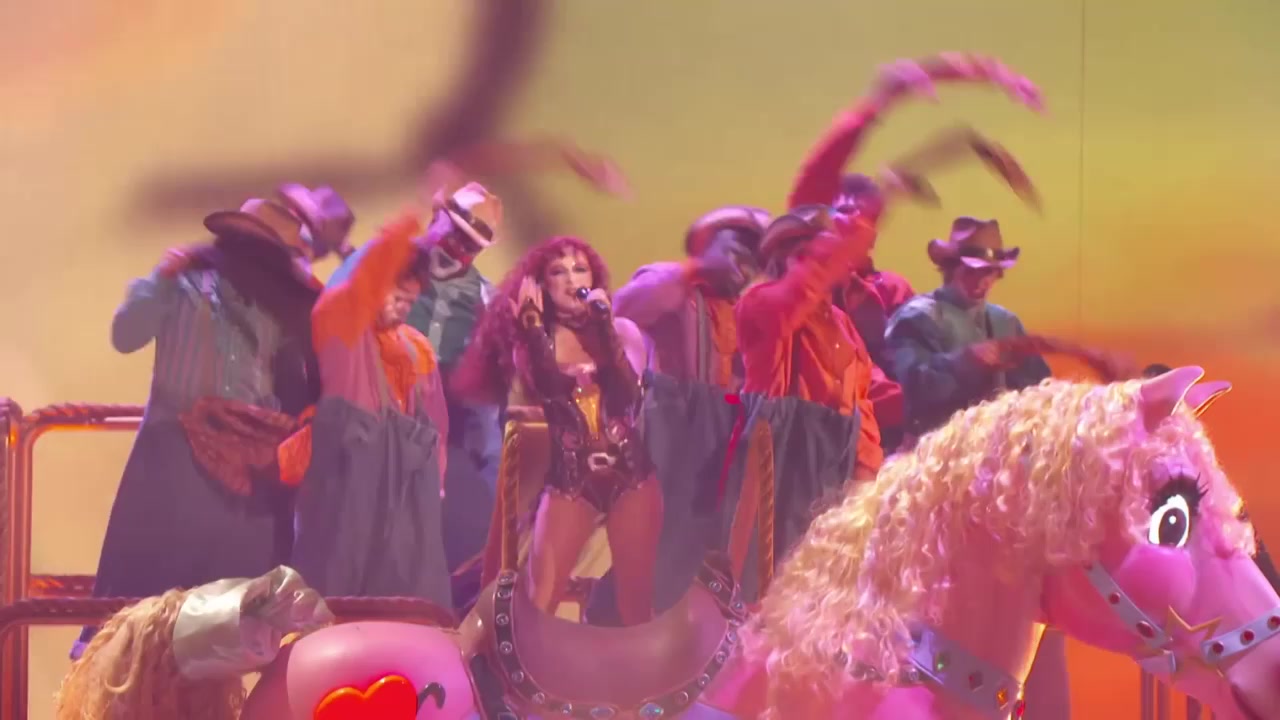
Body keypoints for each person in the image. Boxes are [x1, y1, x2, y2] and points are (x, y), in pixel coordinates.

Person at [74, 197, 322, 658]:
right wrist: (159, 277)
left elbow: (300, 392)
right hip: (173, 463)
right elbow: (125, 334)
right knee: (150, 599)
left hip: (247, 479)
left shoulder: (283, 310)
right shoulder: (182, 284)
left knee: (232, 613)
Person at [453, 236, 658, 625]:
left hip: (630, 475)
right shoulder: (533, 341)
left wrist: (604, 328)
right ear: (542, 286)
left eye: (579, 270)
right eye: (558, 273)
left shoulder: (622, 330)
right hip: (569, 480)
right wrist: (532, 327)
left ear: (594, 278)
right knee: (539, 601)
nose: (571, 280)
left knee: (637, 603)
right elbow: (552, 396)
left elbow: (628, 396)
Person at [286, 186, 460, 606]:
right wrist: (413, 217)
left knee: (411, 607)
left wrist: (434, 486)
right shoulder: (343, 330)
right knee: (334, 600)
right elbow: (361, 282)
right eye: (396, 295)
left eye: (410, 300)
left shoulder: (417, 348)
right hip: (346, 501)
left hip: (408, 510)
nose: (403, 306)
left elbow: (437, 426)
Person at [885, 217, 1052, 439]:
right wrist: (965, 361)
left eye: (989, 272)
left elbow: (1038, 388)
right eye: (971, 271)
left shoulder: (1005, 321)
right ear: (951, 268)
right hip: (934, 447)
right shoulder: (917, 318)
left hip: (997, 447)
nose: (982, 281)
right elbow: (908, 389)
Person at [613, 205, 771, 390]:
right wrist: (694, 270)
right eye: (742, 245)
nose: (745, 266)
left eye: (757, 259)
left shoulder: (740, 314)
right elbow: (620, 310)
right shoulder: (670, 280)